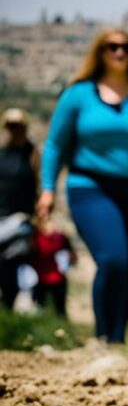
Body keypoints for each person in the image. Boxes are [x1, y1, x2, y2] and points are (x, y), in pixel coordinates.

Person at [38, 29, 128, 343]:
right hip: (91, 186)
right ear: (99, 52)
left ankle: (118, 339)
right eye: (111, 47)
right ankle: (103, 335)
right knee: (113, 259)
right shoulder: (78, 94)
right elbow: (54, 146)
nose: (119, 53)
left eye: (125, 47)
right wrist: (47, 189)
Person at [0, 108, 39, 309]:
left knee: (10, 269)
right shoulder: (2, 154)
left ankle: (8, 313)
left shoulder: (32, 155)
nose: (14, 131)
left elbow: (40, 186)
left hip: (20, 220)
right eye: (11, 127)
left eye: (18, 126)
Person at [30, 218, 76, 317]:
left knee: (59, 310)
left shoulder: (60, 237)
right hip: (39, 278)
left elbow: (73, 257)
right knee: (39, 309)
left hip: (57, 278)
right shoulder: (35, 237)